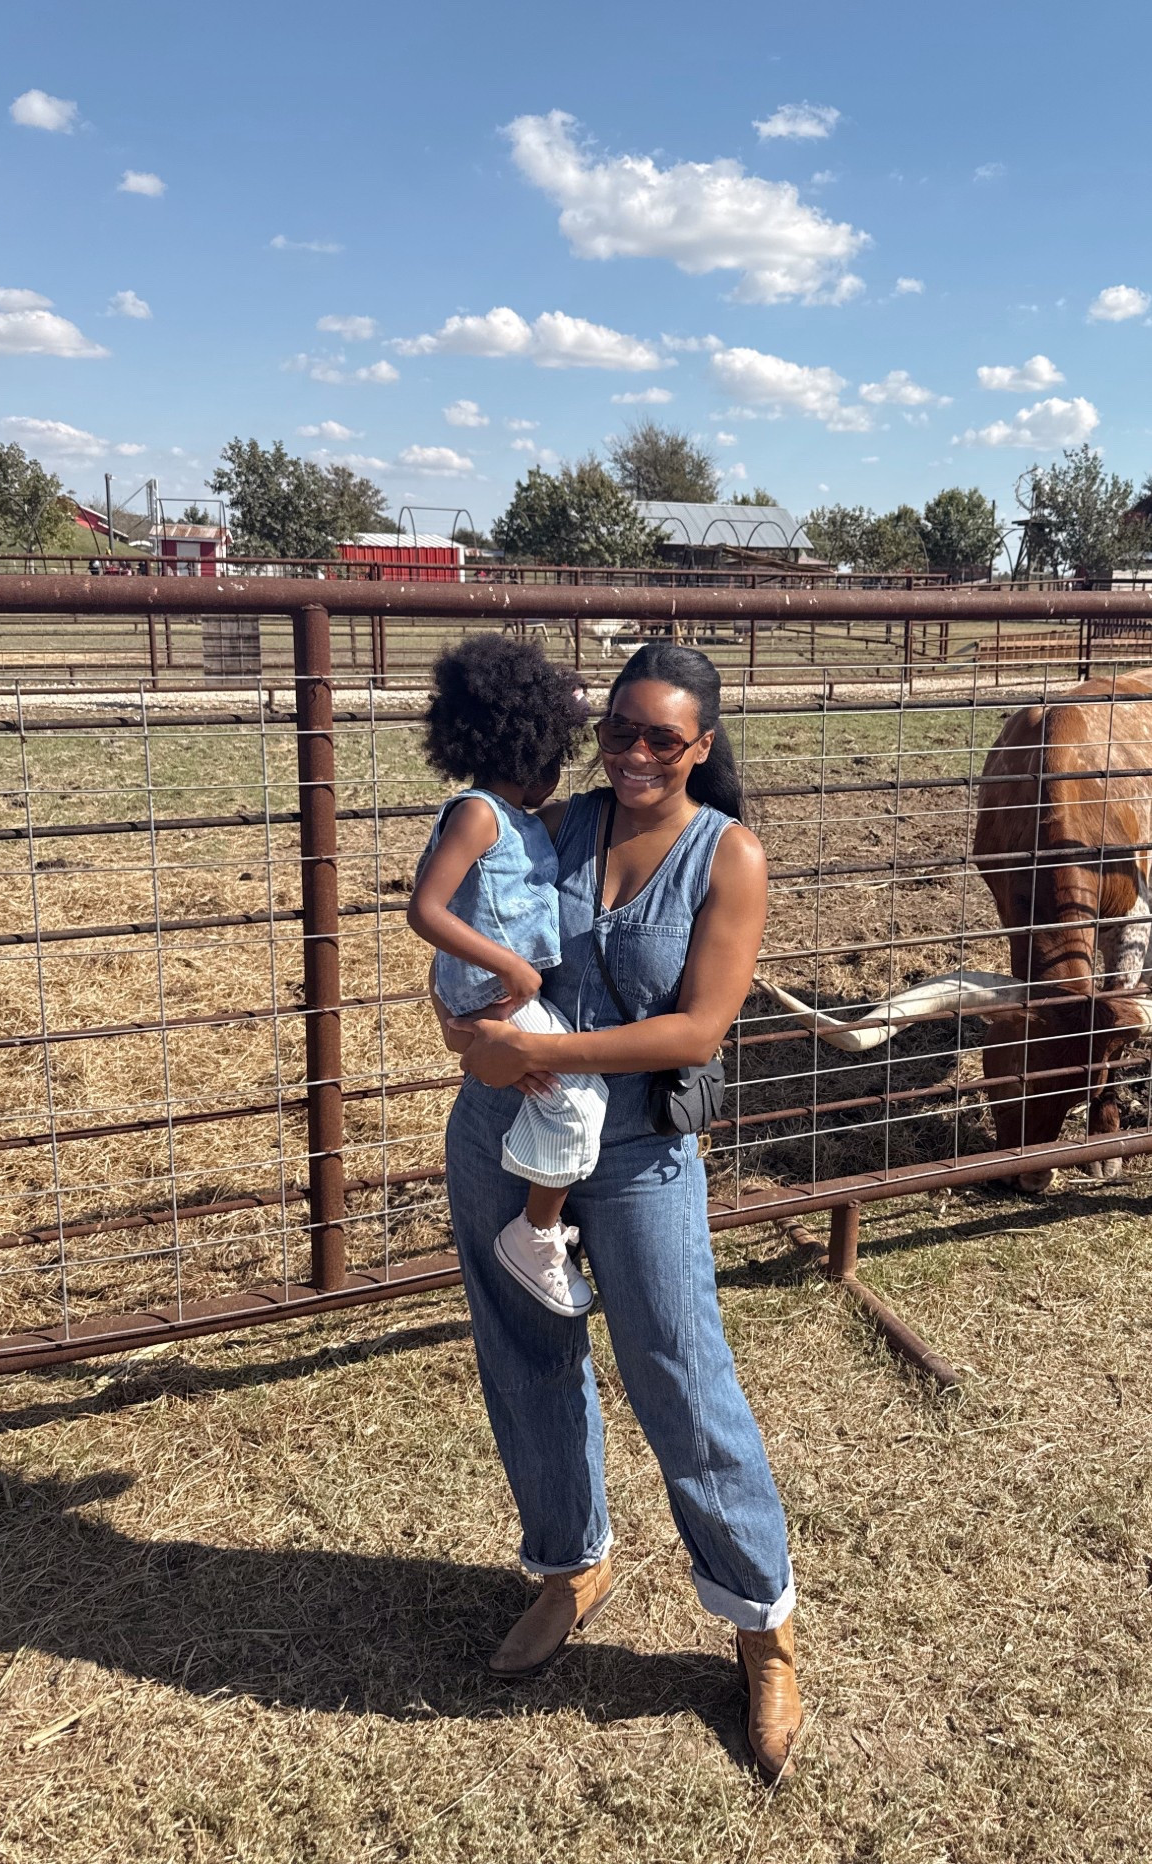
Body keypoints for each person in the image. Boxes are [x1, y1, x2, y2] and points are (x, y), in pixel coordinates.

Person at [435, 641, 802, 1782]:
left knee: (678, 1372)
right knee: (526, 1354)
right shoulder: (547, 823)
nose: (635, 754)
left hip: (641, 1147)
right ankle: (567, 1566)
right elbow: (474, 932)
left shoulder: (726, 856)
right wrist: (463, 1029)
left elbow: (697, 1031)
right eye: (620, 730)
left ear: (702, 746)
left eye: (663, 738)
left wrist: (541, 1048)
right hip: (508, 1131)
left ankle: (762, 1622)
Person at [409, 634, 608, 1317]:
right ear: (527, 752)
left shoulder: (514, 820)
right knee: (576, 1105)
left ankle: (537, 1209)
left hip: (501, 988)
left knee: (563, 1089)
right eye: (553, 759)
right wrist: (511, 969)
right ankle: (536, 1233)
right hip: (497, 988)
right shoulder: (477, 814)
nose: (556, 775)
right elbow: (426, 910)